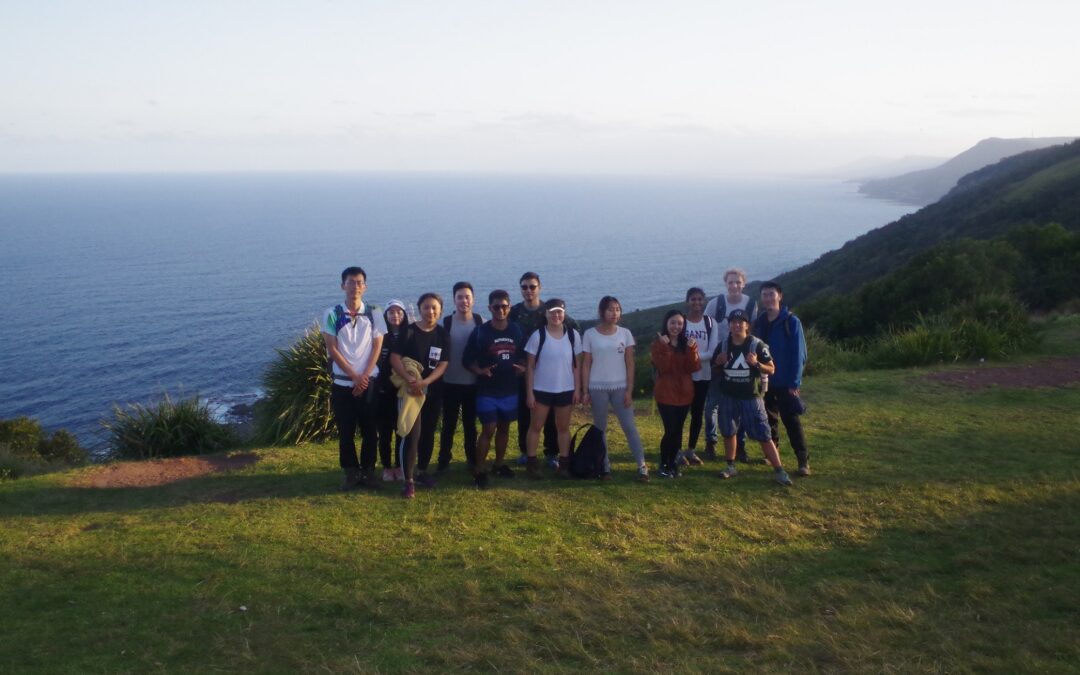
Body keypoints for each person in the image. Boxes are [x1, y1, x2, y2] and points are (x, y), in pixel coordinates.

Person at [321, 266, 386, 490]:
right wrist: (354, 377)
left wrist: (363, 377)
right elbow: (332, 348)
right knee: (346, 431)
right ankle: (350, 473)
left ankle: (368, 472)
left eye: (359, 282)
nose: (355, 287)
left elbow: (378, 345)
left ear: (365, 287)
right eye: (350, 282)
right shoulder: (332, 313)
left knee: (370, 430)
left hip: (368, 381)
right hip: (342, 383)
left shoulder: (375, 311)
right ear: (342, 286)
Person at [714, 309, 792, 486]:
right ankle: (730, 466)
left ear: (747, 325)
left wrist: (756, 363)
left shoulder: (757, 345)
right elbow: (716, 370)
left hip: (751, 396)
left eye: (740, 322)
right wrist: (718, 363)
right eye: (733, 322)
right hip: (728, 395)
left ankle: (779, 470)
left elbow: (771, 368)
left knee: (764, 434)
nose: (736, 325)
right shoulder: (724, 345)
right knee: (728, 431)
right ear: (729, 325)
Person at [509, 272, 578, 468]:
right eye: (524, 287)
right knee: (525, 413)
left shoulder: (550, 310)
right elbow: (507, 336)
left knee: (552, 418)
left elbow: (572, 327)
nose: (528, 290)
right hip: (524, 371)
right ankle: (526, 452)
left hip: (549, 372)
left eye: (532, 286)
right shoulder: (514, 312)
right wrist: (517, 363)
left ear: (540, 288)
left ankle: (552, 453)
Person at [463, 289, 526, 489]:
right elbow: (466, 359)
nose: (500, 310)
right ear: (490, 308)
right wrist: (480, 371)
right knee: (488, 428)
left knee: (505, 427)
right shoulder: (481, 331)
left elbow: (525, 354)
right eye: (496, 306)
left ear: (509, 307)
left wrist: (523, 367)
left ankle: (499, 463)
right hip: (487, 390)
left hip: (510, 388)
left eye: (504, 306)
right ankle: (479, 468)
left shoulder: (516, 330)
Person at [582, 296, 649, 482]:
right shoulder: (590, 334)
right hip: (597, 387)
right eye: (611, 309)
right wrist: (585, 390)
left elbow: (630, 363)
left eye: (618, 309)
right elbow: (586, 363)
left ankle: (642, 466)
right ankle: (605, 467)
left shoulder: (625, 333)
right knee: (600, 428)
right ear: (602, 311)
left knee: (629, 426)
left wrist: (629, 390)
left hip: (620, 387)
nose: (615, 313)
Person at [390, 292, 450, 498]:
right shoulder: (409, 332)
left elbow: (443, 364)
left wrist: (425, 382)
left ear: (440, 310)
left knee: (428, 433)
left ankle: (422, 471)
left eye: (434, 307)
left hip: (432, 390)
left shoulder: (442, 334)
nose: (430, 311)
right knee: (411, 434)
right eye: (426, 307)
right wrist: (409, 379)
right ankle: (408, 480)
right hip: (410, 392)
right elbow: (395, 358)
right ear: (419, 309)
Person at [752, 281, 811, 477]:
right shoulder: (759, 322)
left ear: (780, 296)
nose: (768, 298)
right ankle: (773, 454)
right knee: (769, 420)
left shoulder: (791, 321)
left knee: (791, 420)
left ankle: (803, 460)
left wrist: (795, 382)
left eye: (771, 294)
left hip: (785, 381)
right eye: (765, 295)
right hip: (765, 380)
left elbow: (799, 354)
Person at [703, 268, 759, 462]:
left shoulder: (751, 304)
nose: (734, 286)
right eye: (730, 282)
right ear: (725, 284)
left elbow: (752, 331)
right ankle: (710, 442)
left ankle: (740, 447)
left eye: (738, 282)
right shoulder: (715, 304)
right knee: (711, 407)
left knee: (739, 406)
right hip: (719, 360)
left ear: (744, 283)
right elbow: (705, 327)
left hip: (741, 362)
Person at [523, 298, 583, 478]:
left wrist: (578, 390)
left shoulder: (573, 335)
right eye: (552, 312)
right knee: (536, 426)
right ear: (546, 314)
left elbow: (577, 366)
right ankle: (532, 464)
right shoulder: (538, 336)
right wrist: (529, 393)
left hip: (565, 389)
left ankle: (564, 465)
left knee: (563, 428)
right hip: (542, 390)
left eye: (560, 312)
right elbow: (530, 366)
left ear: (564, 314)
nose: (556, 315)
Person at [438, 281, 483, 474]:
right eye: (460, 297)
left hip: (473, 383)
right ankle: (443, 460)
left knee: (470, 425)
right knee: (448, 425)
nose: (464, 301)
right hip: (449, 383)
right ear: (454, 299)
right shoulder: (445, 323)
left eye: (467, 297)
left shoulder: (481, 321)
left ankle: (472, 459)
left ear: (473, 299)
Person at [650, 310, 700, 478]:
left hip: (684, 393)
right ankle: (664, 463)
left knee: (678, 431)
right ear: (666, 323)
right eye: (673, 322)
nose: (676, 326)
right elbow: (663, 367)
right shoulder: (658, 344)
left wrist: (692, 350)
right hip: (666, 393)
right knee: (670, 430)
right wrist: (665, 347)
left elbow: (693, 367)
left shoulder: (687, 343)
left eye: (679, 323)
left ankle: (672, 463)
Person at [681, 287, 717, 466]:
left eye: (699, 299)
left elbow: (712, 352)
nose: (696, 302)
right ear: (687, 301)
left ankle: (691, 450)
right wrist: (690, 361)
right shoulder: (681, 322)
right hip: (683, 377)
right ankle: (677, 450)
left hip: (703, 376)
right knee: (679, 414)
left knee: (697, 414)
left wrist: (692, 359)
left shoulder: (710, 323)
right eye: (693, 299)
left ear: (704, 301)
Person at [375, 299, 408, 482]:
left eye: (399, 312)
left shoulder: (409, 335)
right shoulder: (380, 336)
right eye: (391, 312)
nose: (395, 315)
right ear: (386, 316)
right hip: (383, 391)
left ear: (404, 315)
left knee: (401, 430)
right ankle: (387, 467)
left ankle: (399, 465)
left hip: (402, 390)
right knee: (385, 431)